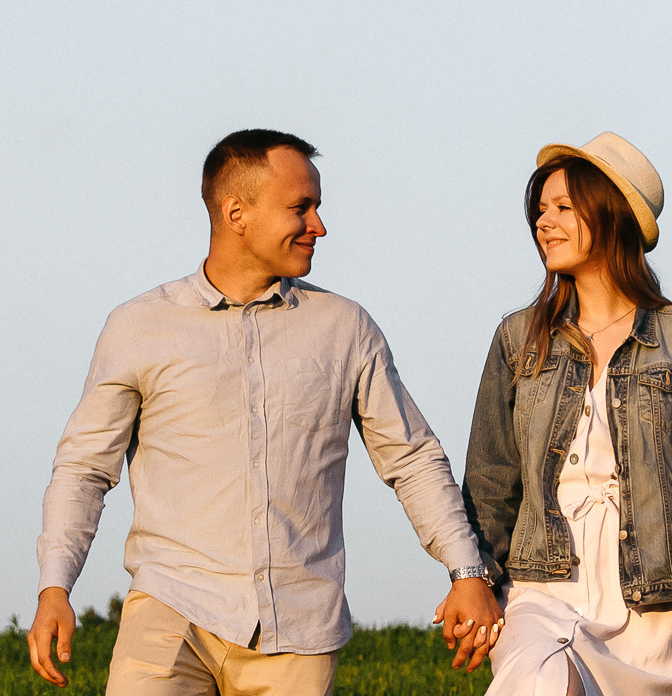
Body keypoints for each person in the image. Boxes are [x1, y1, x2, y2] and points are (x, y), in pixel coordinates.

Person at [27, 129, 504, 694]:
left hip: (300, 630)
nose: (318, 226)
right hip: (170, 612)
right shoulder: (138, 327)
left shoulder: (345, 328)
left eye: (317, 207)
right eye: (301, 207)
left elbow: (412, 459)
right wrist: (55, 587)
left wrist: (467, 571)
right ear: (237, 213)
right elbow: (84, 468)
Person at [462, 133, 672, 696]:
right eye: (541, 210)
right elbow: (490, 480)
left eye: (563, 207)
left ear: (612, 215)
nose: (544, 222)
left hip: (649, 602)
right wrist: (474, 579)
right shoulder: (518, 339)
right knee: (543, 684)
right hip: (540, 589)